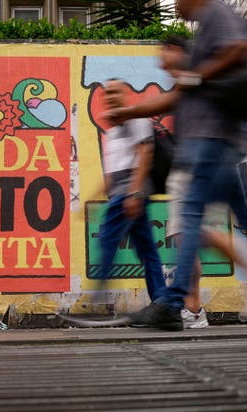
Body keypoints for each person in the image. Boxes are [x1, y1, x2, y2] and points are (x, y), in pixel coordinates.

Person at [106, 0, 247, 330]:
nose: (176, 5)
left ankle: (173, 301)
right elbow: (178, 95)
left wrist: (195, 76)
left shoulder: (216, 14)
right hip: (220, 144)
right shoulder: (206, 30)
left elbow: (240, 47)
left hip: (210, 141)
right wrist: (130, 112)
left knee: (190, 213)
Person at [159, 36, 247, 329]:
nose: (161, 59)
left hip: (196, 169)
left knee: (194, 234)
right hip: (190, 169)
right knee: (190, 238)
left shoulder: (196, 81)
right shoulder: (188, 85)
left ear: (180, 52)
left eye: (166, 51)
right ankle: (193, 308)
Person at [97, 78, 167, 308]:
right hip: (122, 192)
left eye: (115, 92)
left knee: (107, 237)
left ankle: (99, 296)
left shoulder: (137, 118)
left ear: (126, 93)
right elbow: (114, 168)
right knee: (147, 251)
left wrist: (135, 193)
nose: (111, 96)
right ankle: (163, 304)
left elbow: (146, 152)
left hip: (130, 192)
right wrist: (101, 191)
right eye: (107, 93)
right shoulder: (113, 130)